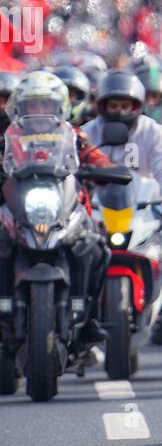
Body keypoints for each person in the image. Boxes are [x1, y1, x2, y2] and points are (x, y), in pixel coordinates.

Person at [3, 71, 111, 347]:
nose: (39, 111)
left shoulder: (74, 137)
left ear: (59, 108)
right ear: (20, 109)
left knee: (97, 246)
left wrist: (109, 170)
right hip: (18, 210)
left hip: (66, 208)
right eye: (32, 105)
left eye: (46, 105)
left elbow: (97, 160)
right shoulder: (8, 137)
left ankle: (90, 318)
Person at [84, 70, 162, 318]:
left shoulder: (153, 131)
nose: (119, 111)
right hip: (98, 208)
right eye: (113, 105)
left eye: (125, 105)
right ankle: (79, 301)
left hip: (144, 206)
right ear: (102, 106)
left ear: (137, 106)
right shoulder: (87, 132)